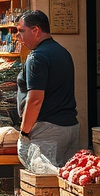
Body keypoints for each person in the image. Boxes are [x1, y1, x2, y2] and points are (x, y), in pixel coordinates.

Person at [15, 10, 79, 167]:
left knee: (43, 184)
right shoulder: (63, 52)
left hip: (48, 129)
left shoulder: (37, 57)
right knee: (64, 182)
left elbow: (35, 99)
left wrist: (24, 133)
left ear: (35, 30)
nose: (18, 37)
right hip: (70, 126)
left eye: (21, 31)